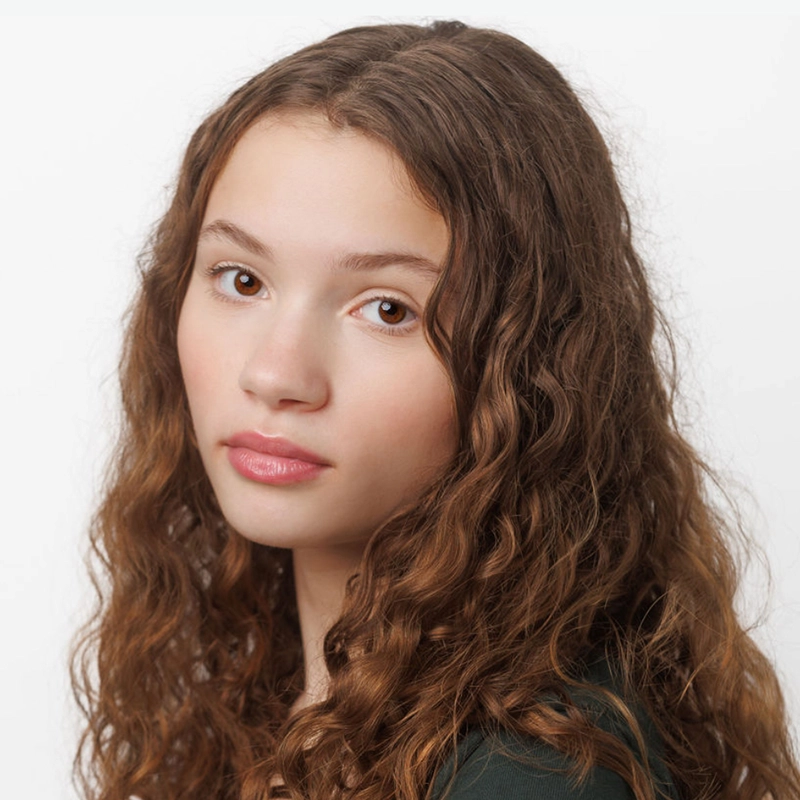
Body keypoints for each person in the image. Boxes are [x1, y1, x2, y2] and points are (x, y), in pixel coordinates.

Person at [71, 20, 800, 800]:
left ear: (527, 367)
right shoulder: (281, 693)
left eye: (388, 309)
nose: (275, 373)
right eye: (242, 280)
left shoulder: (531, 775)